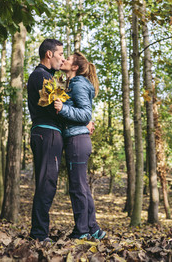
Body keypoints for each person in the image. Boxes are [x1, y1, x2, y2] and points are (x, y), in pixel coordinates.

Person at [53, 52, 106, 240]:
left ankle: (82, 230)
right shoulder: (72, 84)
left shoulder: (78, 84)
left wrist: (62, 108)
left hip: (77, 141)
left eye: (67, 59)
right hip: (77, 139)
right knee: (81, 185)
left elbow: (85, 115)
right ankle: (94, 229)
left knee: (77, 187)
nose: (64, 60)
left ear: (75, 67)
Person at [27, 39, 65, 242]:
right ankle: (39, 234)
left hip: (47, 134)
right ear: (49, 54)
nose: (63, 58)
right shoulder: (41, 76)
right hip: (47, 133)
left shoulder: (46, 77)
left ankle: (39, 232)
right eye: (60, 54)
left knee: (46, 182)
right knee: (46, 183)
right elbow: (55, 108)